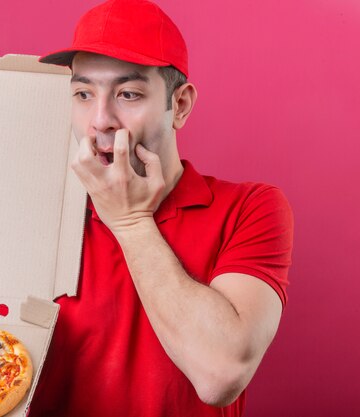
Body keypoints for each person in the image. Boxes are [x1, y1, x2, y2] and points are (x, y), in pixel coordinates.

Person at [28, 0, 293, 416]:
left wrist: (130, 221)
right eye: (83, 93)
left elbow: (220, 373)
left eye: (128, 94)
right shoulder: (36, 211)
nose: (100, 120)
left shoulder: (250, 208)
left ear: (181, 105)